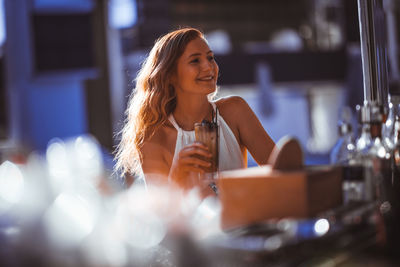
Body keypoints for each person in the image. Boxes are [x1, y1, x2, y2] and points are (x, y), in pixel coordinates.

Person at [115, 27, 275, 195]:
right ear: (170, 75)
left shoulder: (235, 111)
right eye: (195, 61)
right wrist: (177, 176)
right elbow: (161, 216)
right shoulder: (153, 137)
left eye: (210, 58)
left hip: (241, 219)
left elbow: (280, 169)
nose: (208, 67)